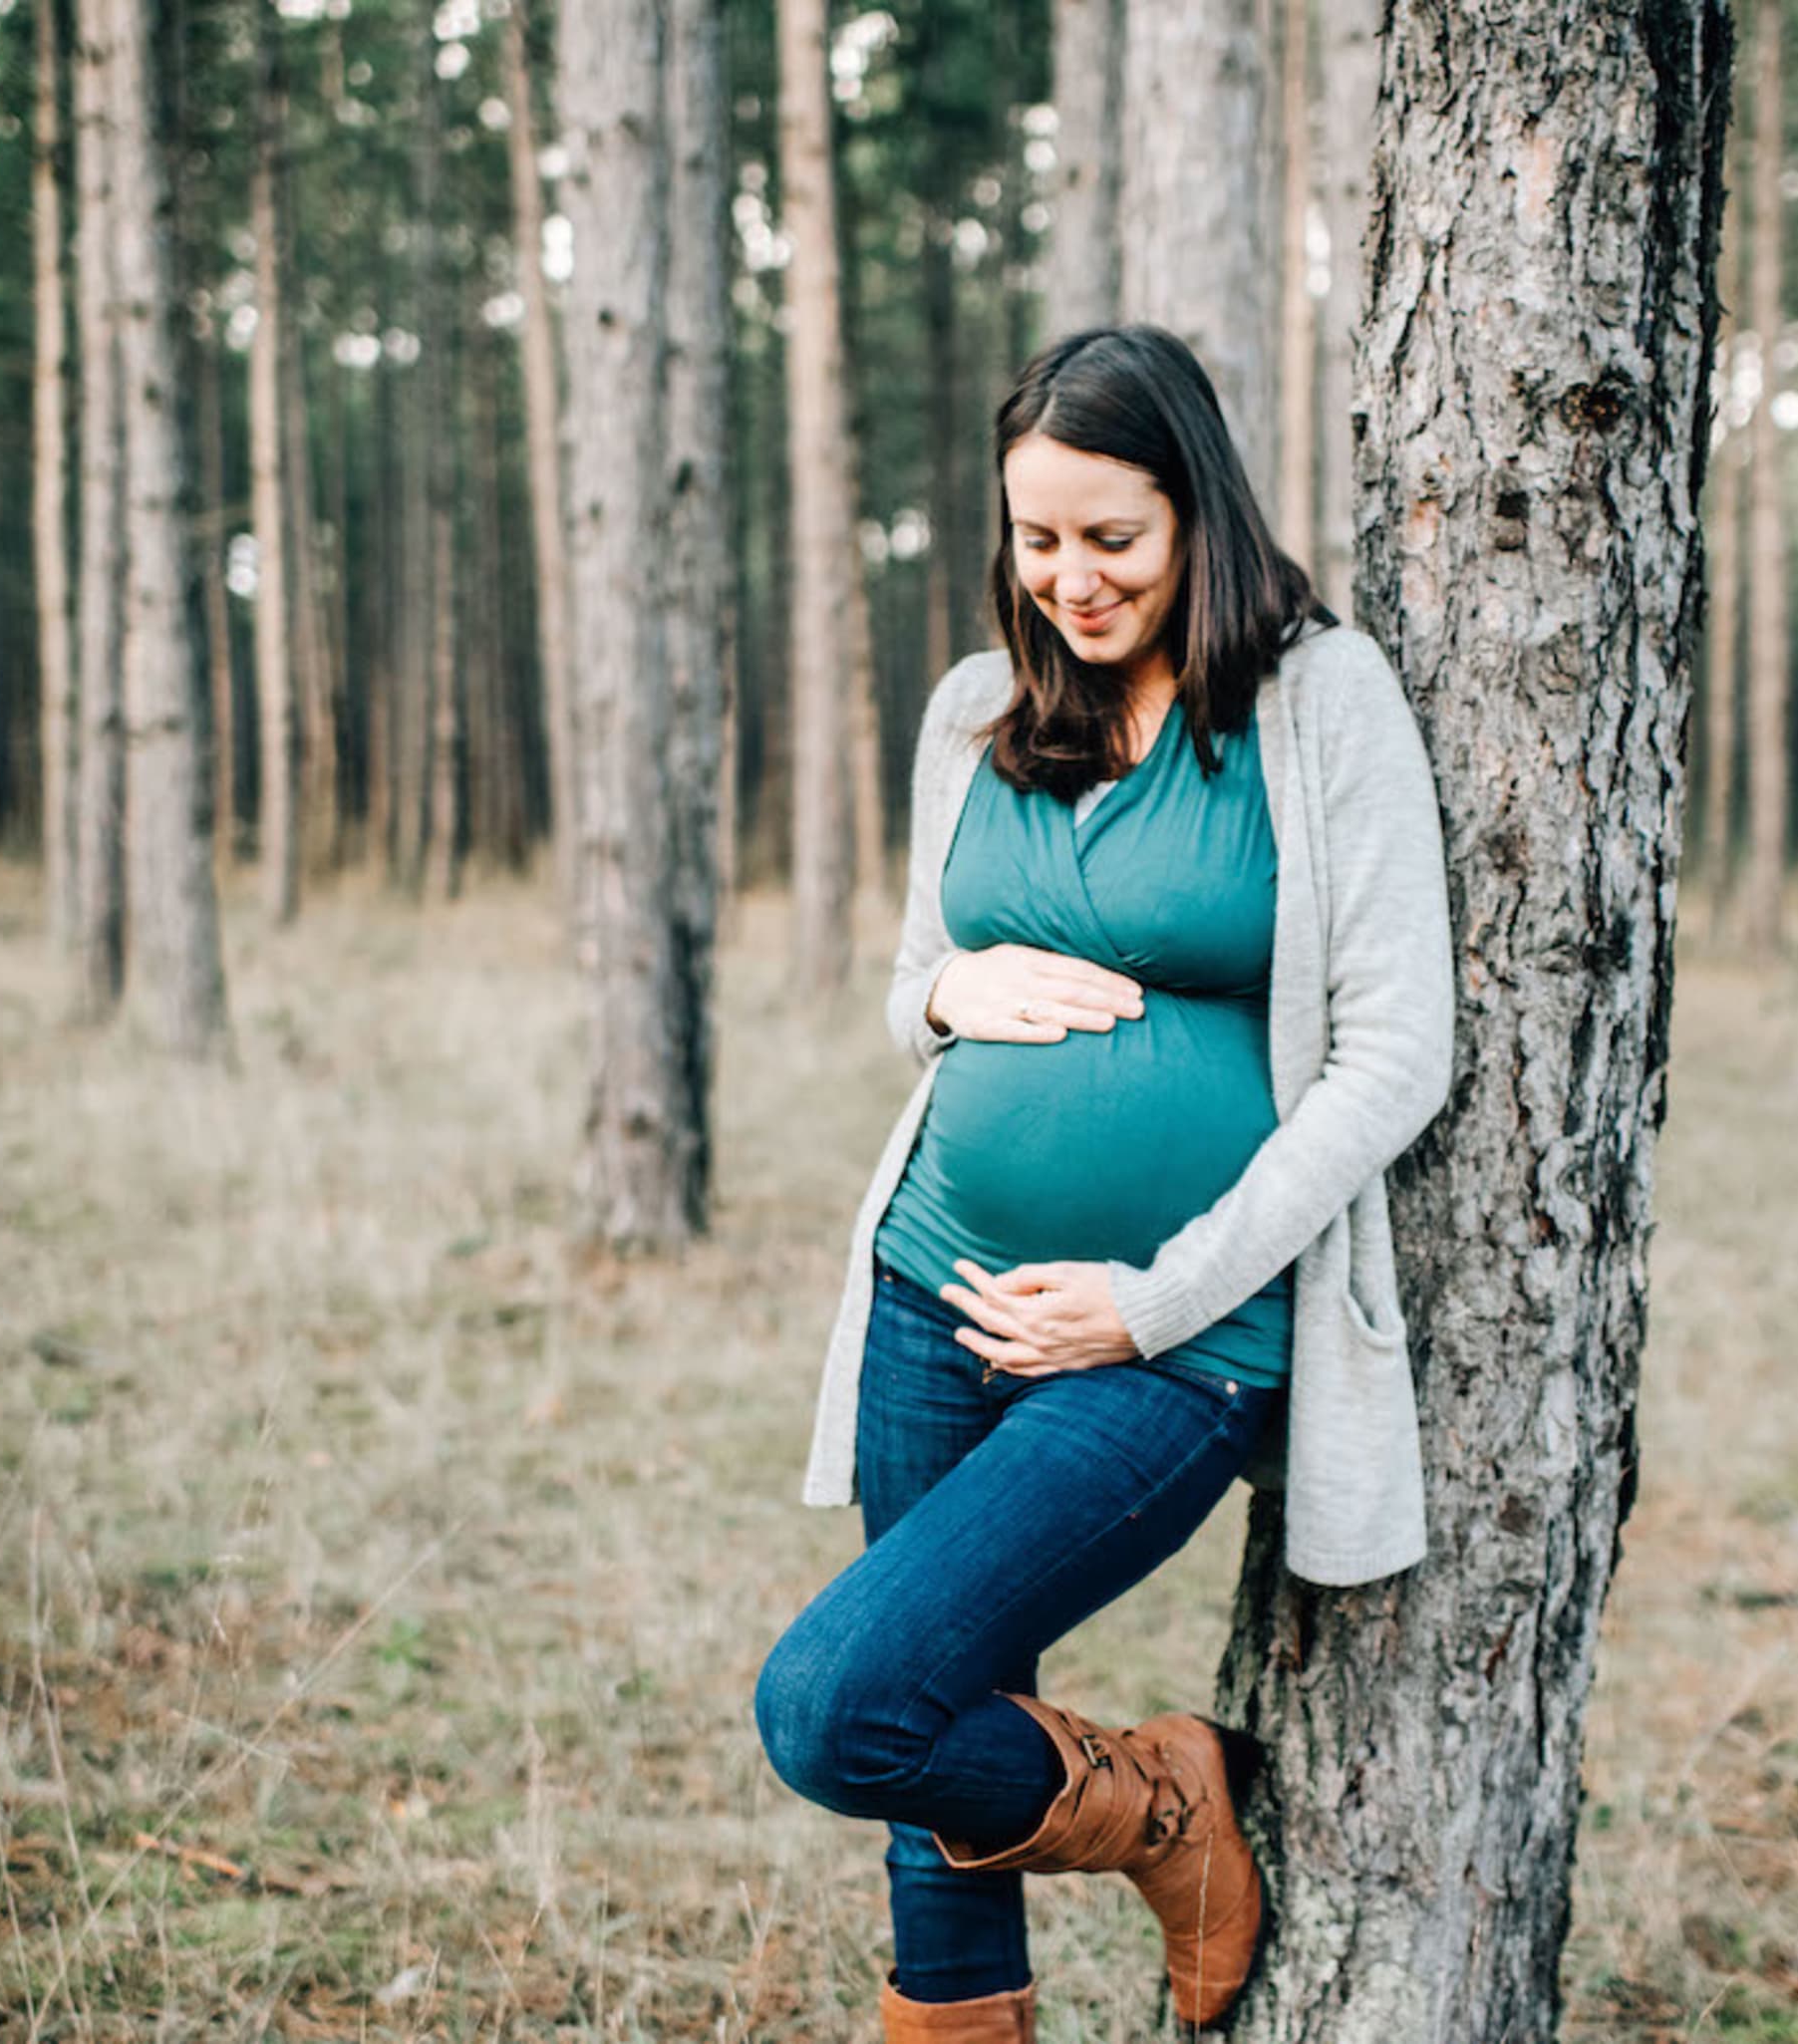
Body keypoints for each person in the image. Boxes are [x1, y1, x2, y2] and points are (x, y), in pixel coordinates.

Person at [751, 324, 1453, 2042]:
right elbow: (912, 978)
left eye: (1114, 538)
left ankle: (1168, 1815)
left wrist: (1154, 1301)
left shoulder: (1317, 703)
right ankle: (1051, 1918)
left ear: (1198, 511)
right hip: (936, 1286)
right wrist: (946, 991)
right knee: (942, 1703)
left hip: (1174, 1341)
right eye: (1038, 539)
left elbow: (1396, 1057)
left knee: (841, 1706)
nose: (1071, 579)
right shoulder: (974, 710)